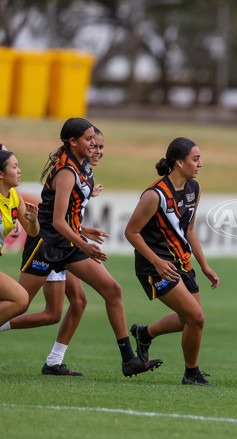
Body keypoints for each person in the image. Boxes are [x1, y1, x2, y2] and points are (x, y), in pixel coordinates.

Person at [15, 117, 162, 378]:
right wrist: (85, 243)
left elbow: (66, 216)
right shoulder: (66, 172)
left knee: (110, 291)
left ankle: (128, 359)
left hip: (68, 243)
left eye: (95, 139)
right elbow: (56, 221)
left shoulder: (83, 167)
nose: (94, 145)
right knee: (19, 303)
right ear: (73, 142)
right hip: (46, 245)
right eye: (89, 139)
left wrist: (83, 230)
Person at [125, 137, 219, 386]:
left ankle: (144, 333)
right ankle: (191, 373)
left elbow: (189, 230)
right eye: (195, 159)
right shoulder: (154, 195)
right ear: (179, 162)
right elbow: (131, 232)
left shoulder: (194, 189)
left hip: (182, 263)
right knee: (196, 318)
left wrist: (204, 266)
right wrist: (156, 261)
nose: (200, 164)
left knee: (187, 319)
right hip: (156, 266)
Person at [0, 146, 39, 326]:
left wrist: (32, 220)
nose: (19, 170)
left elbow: (33, 232)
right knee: (20, 298)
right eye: (14, 167)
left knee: (21, 300)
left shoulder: (15, 197)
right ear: (1, 174)